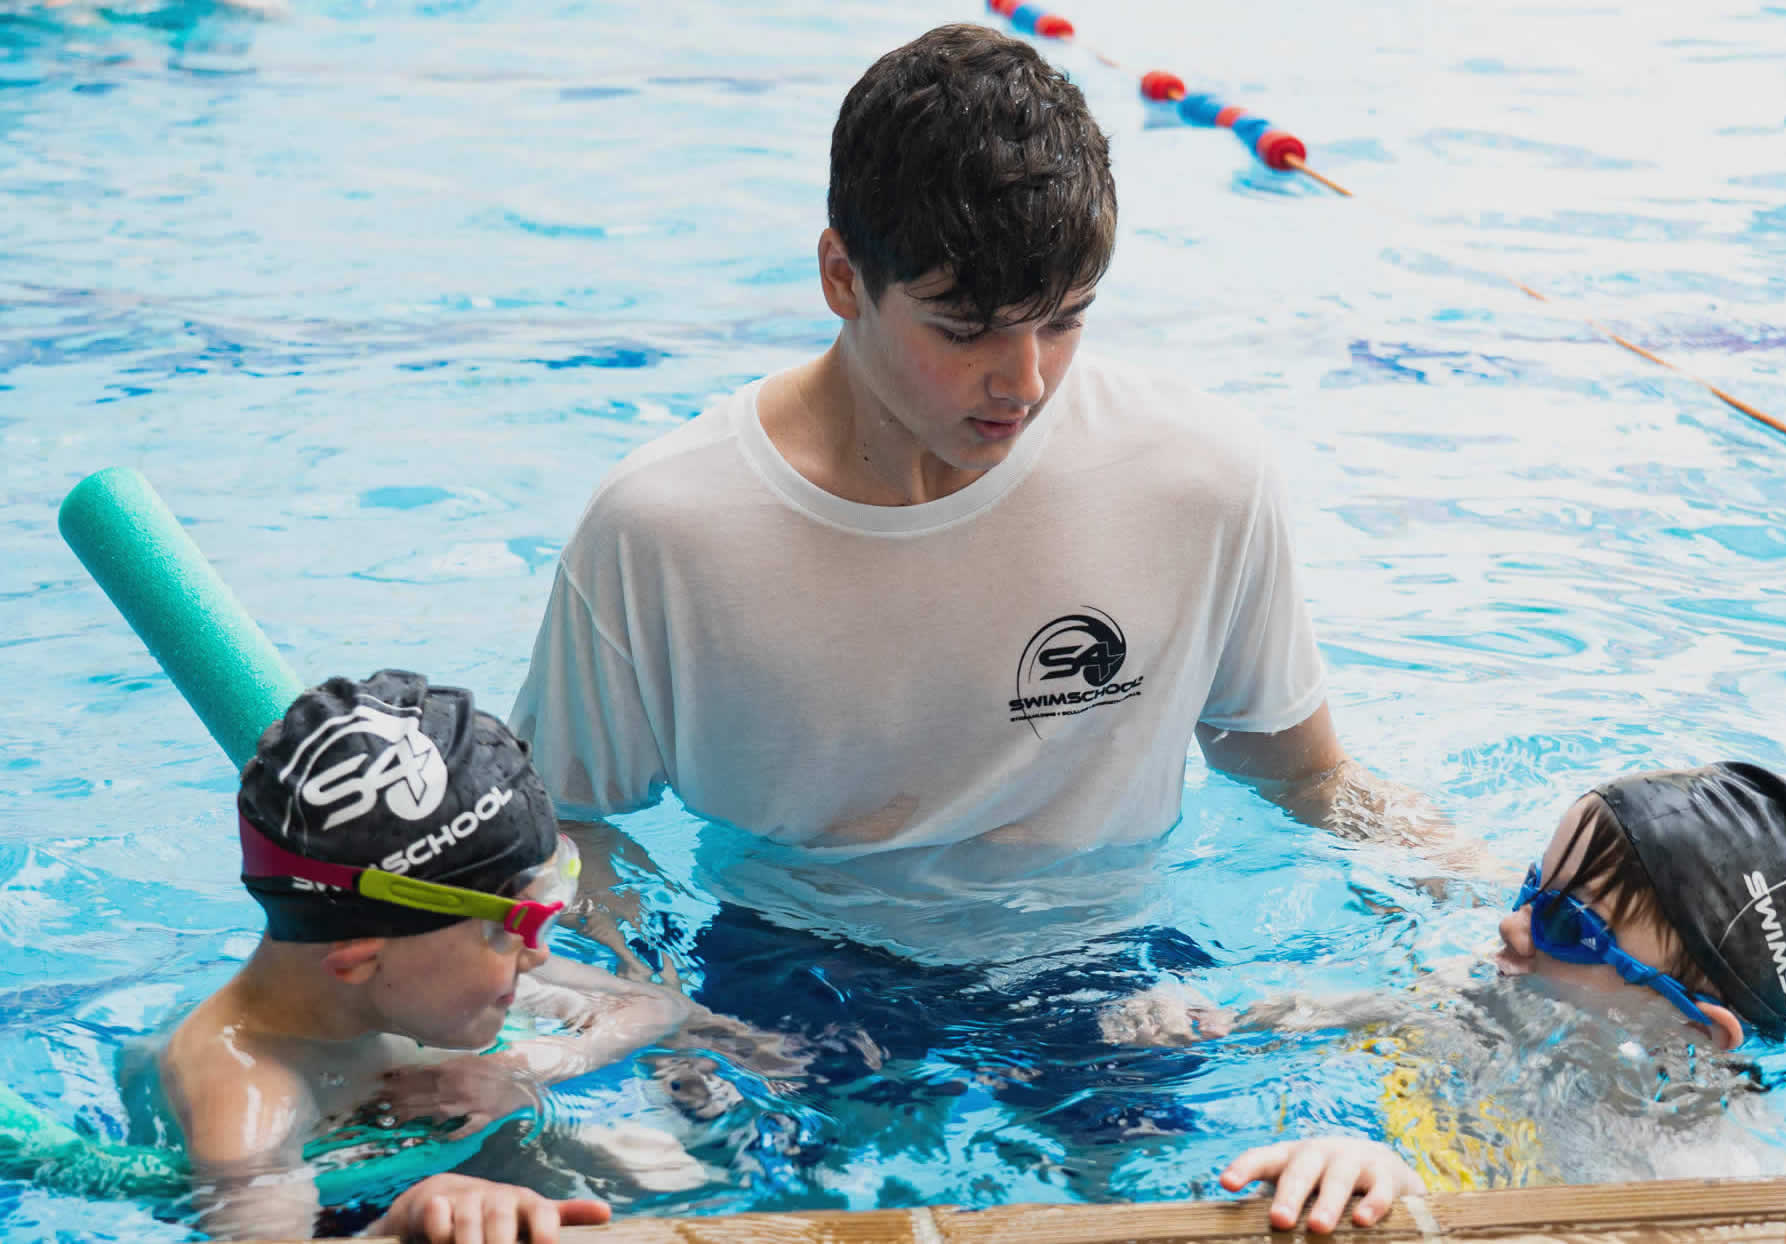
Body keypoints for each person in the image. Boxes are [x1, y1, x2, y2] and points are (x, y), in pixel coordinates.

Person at [511, 21, 1437, 950]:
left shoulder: (1200, 478)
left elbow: (1306, 777)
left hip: (1104, 970)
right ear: (842, 276)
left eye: (1065, 322)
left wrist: (1467, 898)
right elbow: (560, 830)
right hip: (802, 972)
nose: (1025, 382)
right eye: (965, 331)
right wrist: (645, 989)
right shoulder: (664, 534)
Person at [1106, 762, 1786, 1232]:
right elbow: (1373, 1008)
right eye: (1534, 887)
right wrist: (1227, 1022)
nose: (1511, 926)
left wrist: (1412, 1201)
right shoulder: (1489, 993)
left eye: (1566, 925)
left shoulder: (1709, 1175)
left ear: (1698, 1029)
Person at [158, 670, 736, 1242]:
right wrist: (397, 1229)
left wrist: (525, 1065)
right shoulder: (247, 1097)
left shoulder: (437, 962)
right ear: (357, 961)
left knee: (670, 1169)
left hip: (463, 1158)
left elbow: (654, 1007)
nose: (535, 955)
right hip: (353, 1210)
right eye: (511, 927)